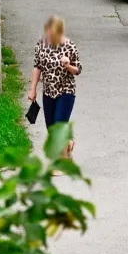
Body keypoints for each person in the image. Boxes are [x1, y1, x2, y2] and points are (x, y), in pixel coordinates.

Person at [28, 16, 82, 159]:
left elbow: (78, 70)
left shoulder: (69, 45)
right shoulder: (41, 44)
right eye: (49, 31)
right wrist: (33, 89)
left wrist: (68, 65)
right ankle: (68, 144)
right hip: (48, 91)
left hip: (66, 91)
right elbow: (37, 66)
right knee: (51, 129)